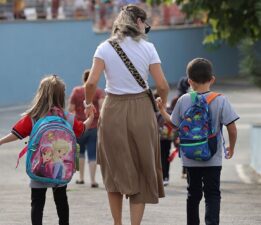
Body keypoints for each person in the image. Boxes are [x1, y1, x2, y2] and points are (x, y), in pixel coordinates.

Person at [84, 4, 169, 225]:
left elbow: (91, 81)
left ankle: (117, 223)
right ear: (139, 22)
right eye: (145, 24)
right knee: (141, 168)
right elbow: (162, 84)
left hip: (113, 108)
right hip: (141, 107)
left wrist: (87, 103)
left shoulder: (104, 47)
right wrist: (163, 103)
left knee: (114, 170)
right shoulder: (148, 48)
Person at [0, 75, 94, 225]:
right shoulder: (67, 118)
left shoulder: (33, 117)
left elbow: (16, 134)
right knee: (61, 201)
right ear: (61, 96)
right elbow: (82, 129)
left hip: (39, 168)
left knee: (37, 203)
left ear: (41, 94)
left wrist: (1, 142)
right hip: (61, 169)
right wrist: (92, 117)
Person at [157, 58, 239, 225]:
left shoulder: (184, 100)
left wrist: (162, 110)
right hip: (213, 157)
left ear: (189, 81)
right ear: (212, 79)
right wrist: (232, 147)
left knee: (193, 194)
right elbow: (232, 128)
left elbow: (174, 124)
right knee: (212, 194)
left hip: (191, 157)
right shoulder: (221, 100)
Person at [68, 69, 105, 187]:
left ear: (83, 79)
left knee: (81, 152)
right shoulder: (99, 92)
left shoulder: (76, 91)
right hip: (94, 126)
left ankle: (81, 178)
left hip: (79, 126)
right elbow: (102, 107)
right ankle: (93, 180)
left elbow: (70, 109)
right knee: (93, 153)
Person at [170, 76, 190, 179]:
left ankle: (185, 170)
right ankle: (186, 170)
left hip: (178, 129)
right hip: (190, 129)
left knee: (182, 150)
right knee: (188, 150)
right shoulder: (192, 98)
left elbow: (172, 117)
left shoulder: (175, 100)